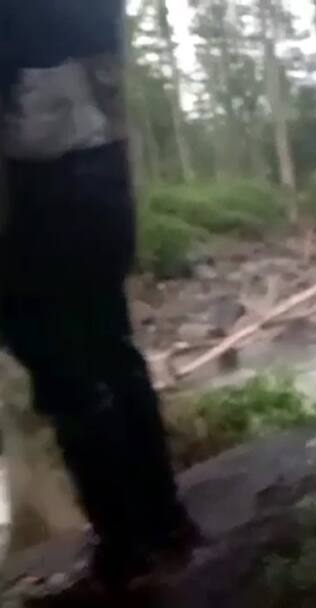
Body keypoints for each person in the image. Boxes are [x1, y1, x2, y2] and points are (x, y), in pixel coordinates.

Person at [0, 0, 200, 589]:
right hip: (104, 184)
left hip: (31, 206)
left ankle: (124, 548)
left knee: (66, 381)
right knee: (113, 351)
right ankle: (165, 522)